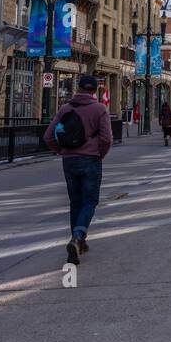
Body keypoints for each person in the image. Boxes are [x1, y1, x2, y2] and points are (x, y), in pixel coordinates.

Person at [44, 74, 113, 265]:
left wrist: (62, 151)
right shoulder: (99, 109)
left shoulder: (65, 108)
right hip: (91, 160)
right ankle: (77, 237)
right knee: (89, 201)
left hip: (69, 160)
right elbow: (107, 139)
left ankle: (78, 242)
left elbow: (48, 136)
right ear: (93, 91)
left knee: (75, 202)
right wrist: (100, 154)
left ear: (78, 88)